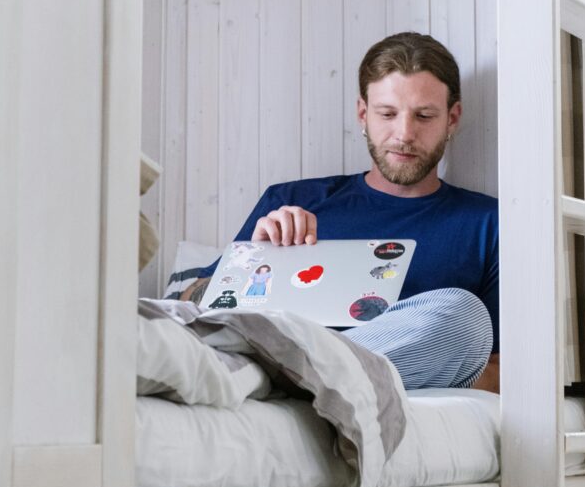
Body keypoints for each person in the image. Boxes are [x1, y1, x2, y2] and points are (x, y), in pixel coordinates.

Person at [186, 32, 499, 393]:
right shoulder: (292, 200)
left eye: (424, 116)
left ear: (452, 119)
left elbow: (501, 369)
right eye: (387, 114)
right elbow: (189, 303)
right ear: (363, 114)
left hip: (366, 376)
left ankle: (294, 377)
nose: (404, 133)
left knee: (464, 316)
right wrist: (250, 262)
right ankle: (302, 374)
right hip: (275, 351)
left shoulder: (486, 223)